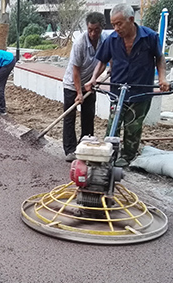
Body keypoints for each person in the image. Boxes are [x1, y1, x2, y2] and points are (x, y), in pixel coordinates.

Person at [85, 3, 170, 167]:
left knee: (133, 126)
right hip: (118, 90)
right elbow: (102, 61)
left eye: (119, 24)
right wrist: (93, 78)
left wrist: (162, 78)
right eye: (114, 24)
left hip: (140, 91)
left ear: (131, 20)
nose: (116, 28)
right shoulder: (112, 39)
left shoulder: (149, 37)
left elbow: (159, 58)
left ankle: (128, 156)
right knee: (113, 124)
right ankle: (108, 153)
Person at [62, 12, 106, 162]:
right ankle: (70, 150)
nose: (93, 33)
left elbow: (105, 61)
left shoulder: (105, 40)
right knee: (70, 116)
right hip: (72, 84)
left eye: (96, 30)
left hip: (89, 84)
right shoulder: (80, 43)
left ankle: (86, 147)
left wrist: (94, 80)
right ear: (87, 28)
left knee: (88, 116)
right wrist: (78, 92)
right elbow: (75, 70)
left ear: (102, 28)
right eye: (90, 30)